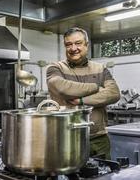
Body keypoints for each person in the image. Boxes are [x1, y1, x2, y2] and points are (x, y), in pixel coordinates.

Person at [46, 27, 120, 159]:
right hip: (66, 139)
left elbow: (114, 93)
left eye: (78, 43)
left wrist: (81, 101)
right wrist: (96, 87)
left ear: (86, 45)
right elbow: (63, 88)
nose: (73, 48)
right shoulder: (56, 68)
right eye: (68, 44)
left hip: (98, 139)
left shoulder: (100, 68)